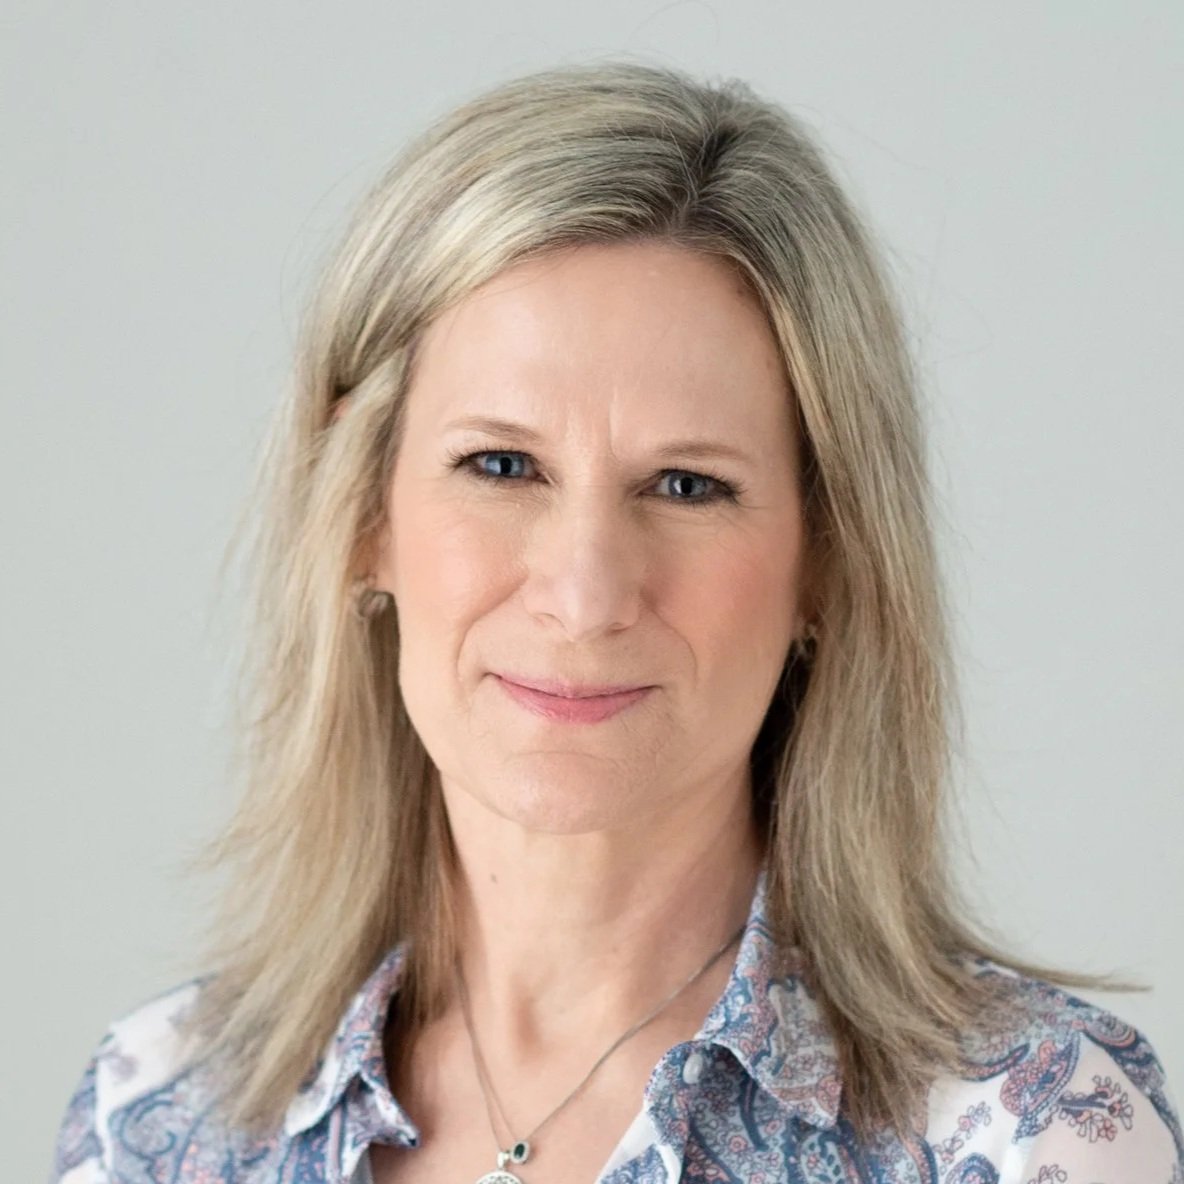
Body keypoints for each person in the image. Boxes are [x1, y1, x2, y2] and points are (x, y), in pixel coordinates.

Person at [50, 59, 1182, 1184]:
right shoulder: (159, 1116)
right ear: (361, 511)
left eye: (686, 484)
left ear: (824, 563)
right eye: (500, 464)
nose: (585, 593)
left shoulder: (1026, 1131)